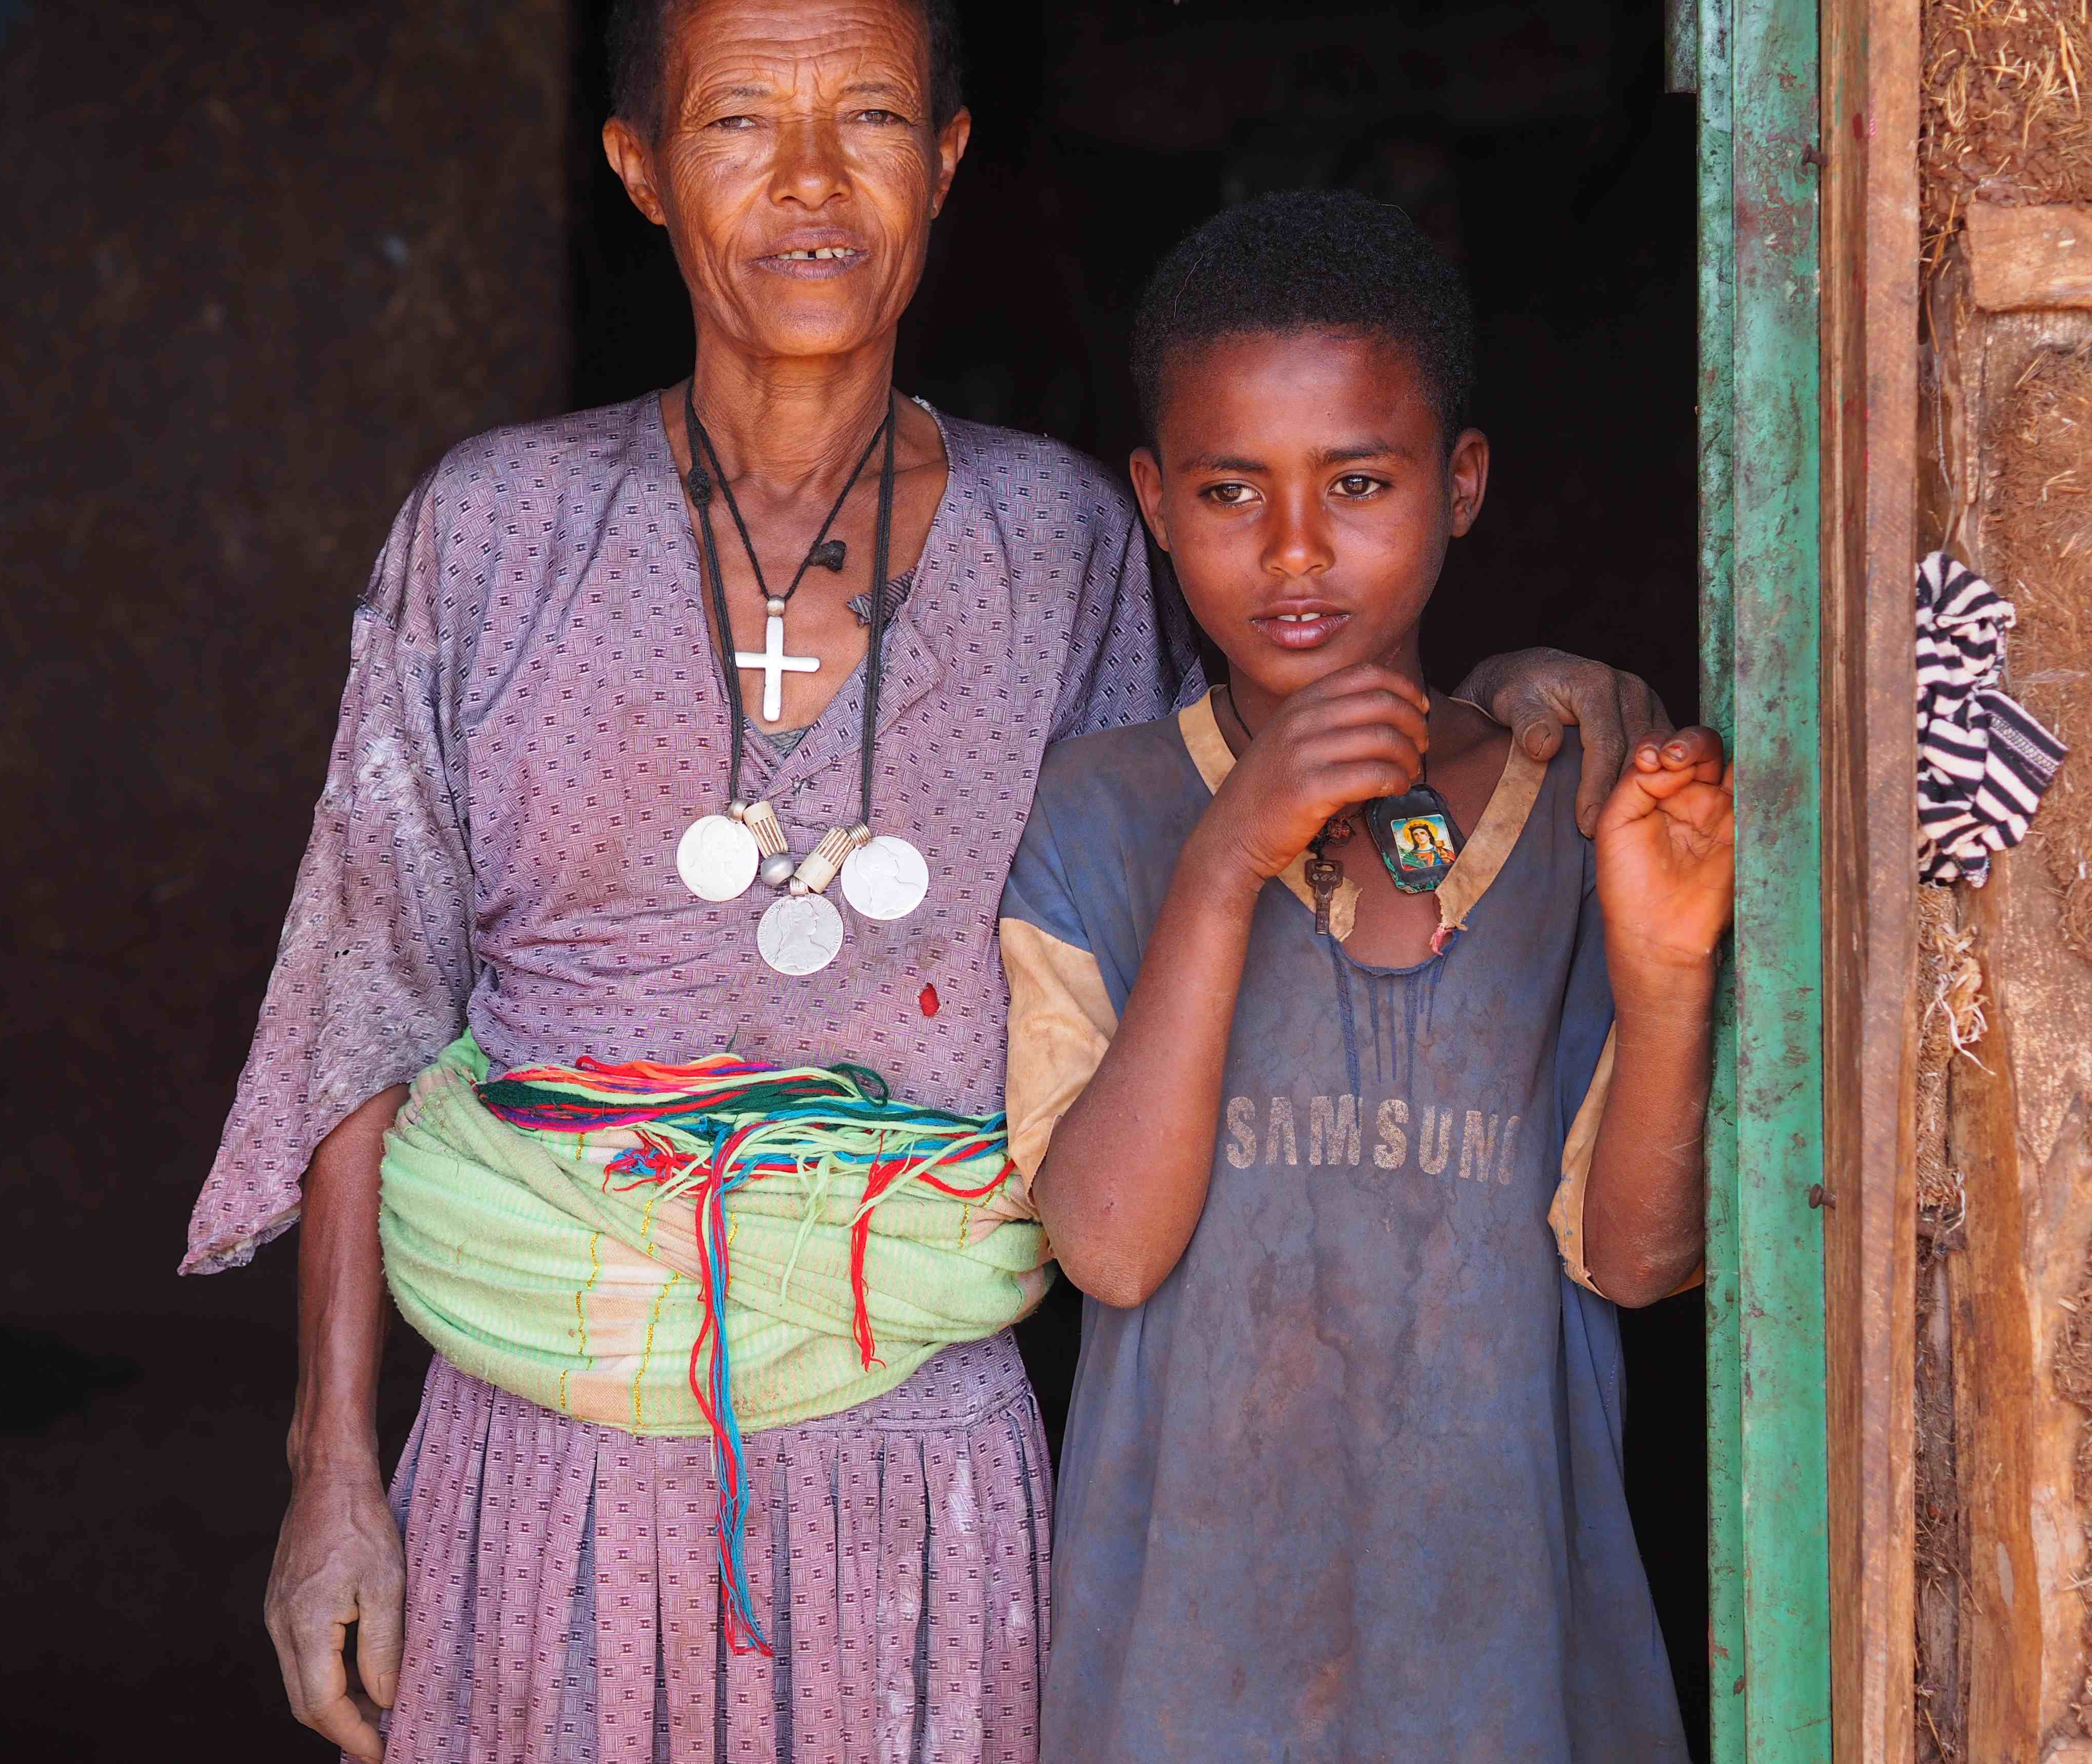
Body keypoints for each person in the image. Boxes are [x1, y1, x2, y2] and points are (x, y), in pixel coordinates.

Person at [180, 3, 1674, 1756]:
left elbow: (1246, 807)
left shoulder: (1062, 546)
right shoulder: (496, 530)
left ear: (948, 160)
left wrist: (1506, 701)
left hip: (929, 1499)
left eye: (873, 115)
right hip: (534, 1487)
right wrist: (333, 1471)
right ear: (640, 168)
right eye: (741, 120)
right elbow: (363, 1000)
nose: (813, 181)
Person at [1002, 191, 1727, 1761]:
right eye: (1229, 491)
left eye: (1359, 484)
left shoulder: (1582, 816)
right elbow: (1107, 1249)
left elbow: (1642, 1262)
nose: (1296, 550)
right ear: (1153, 501)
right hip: (1183, 1688)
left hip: (1507, 1675)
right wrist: (1222, 861)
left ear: (1461, 483)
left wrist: (1667, 975)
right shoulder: (1099, 816)